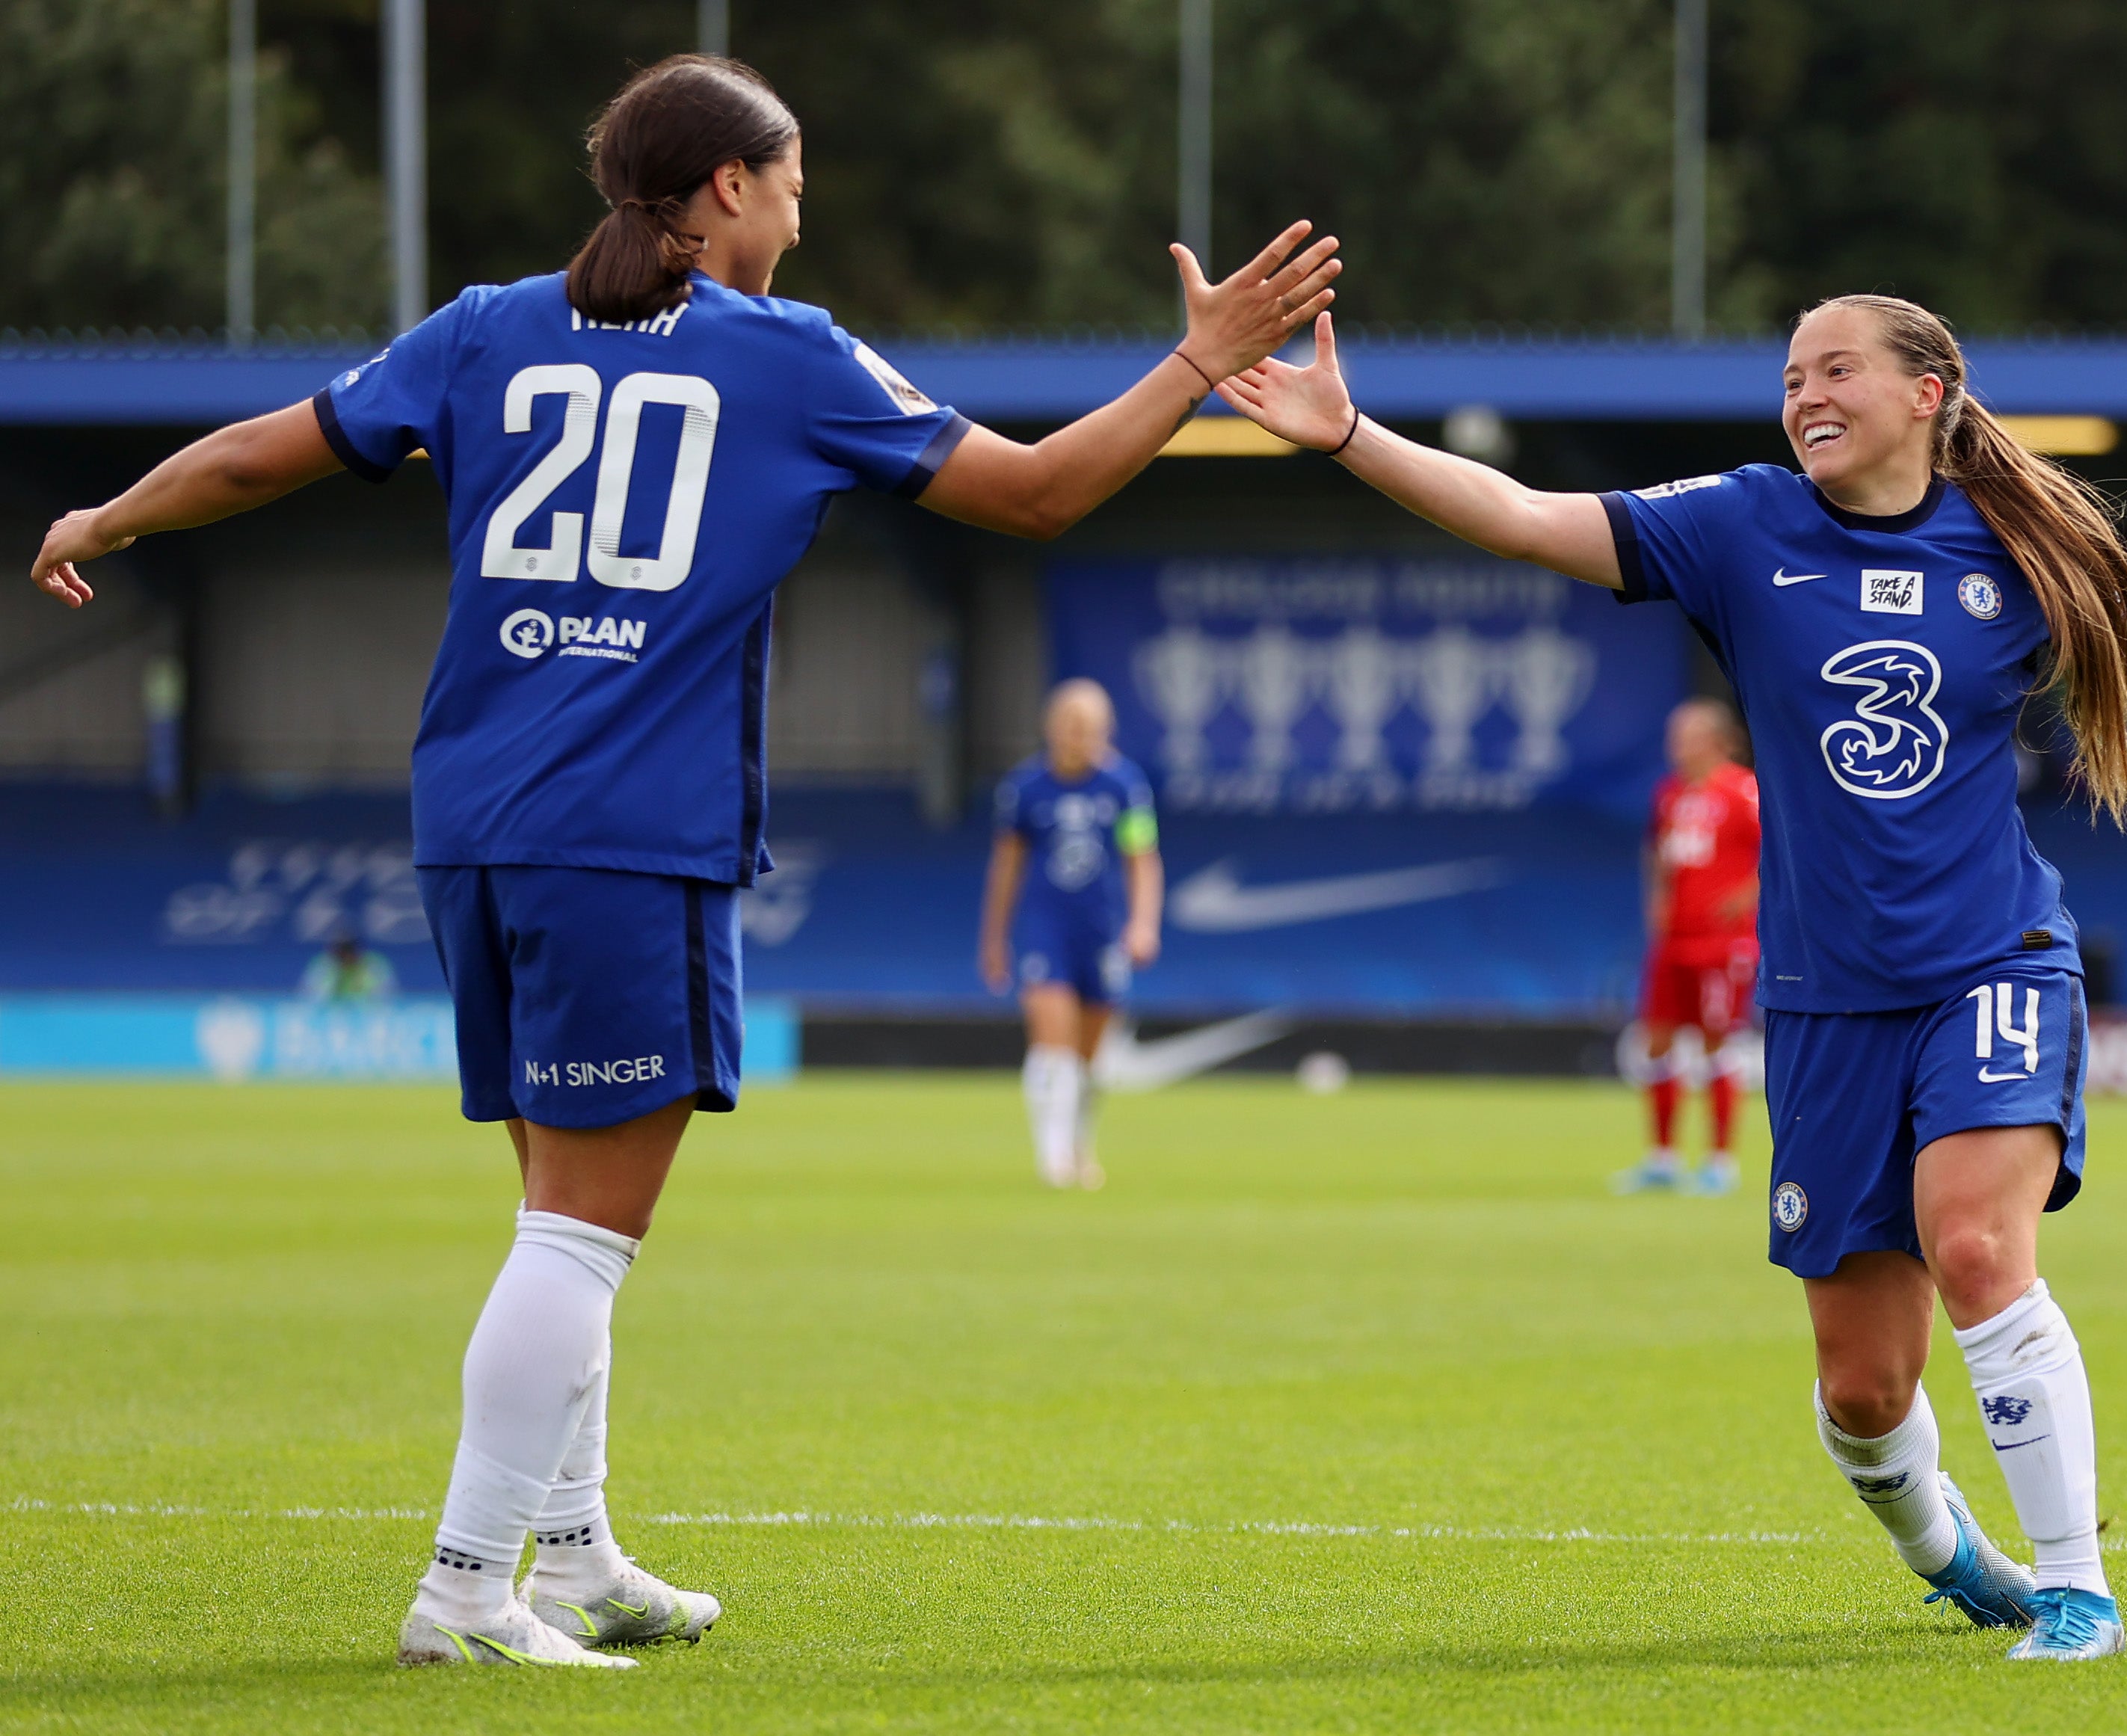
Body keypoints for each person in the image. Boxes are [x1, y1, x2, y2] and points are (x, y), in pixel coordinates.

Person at [28, 55, 1338, 1669]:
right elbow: (1041, 492)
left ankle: (572, 1556)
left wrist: (109, 515)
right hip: (627, 842)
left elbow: (257, 455)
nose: (804, 210)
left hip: (476, 831)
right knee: (582, 1233)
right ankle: (463, 1590)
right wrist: (1197, 364)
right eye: (791, 182)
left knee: (550, 1212)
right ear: (726, 188)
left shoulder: (484, 326)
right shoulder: (787, 359)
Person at [1217, 297, 2127, 1662]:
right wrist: (1348, 435)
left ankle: (2074, 1586)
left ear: (1927, 394)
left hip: (1990, 958)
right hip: (1823, 1003)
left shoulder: (2011, 546)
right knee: (1863, 1389)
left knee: (1977, 1247)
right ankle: (1950, 1552)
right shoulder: (1740, 524)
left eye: (1836, 369)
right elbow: (1520, 514)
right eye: (1791, 373)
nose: (1804, 392)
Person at [979, 679, 1163, 1189]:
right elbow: (1006, 867)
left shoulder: (1125, 787)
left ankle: (1078, 1142)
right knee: (1052, 1037)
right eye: (1070, 723)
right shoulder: (1025, 789)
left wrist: (1143, 923)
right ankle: (1053, 1156)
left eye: (1089, 726)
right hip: (1046, 928)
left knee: (1089, 1059)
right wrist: (994, 939)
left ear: (1106, 731)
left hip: (1101, 931)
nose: (1078, 735)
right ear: (1050, 727)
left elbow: (1142, 861)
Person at [1617, 697, 1759, 1196]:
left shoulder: (1744, 791)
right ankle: (1663, 1157)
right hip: (1674, 939)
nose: (1676, 744)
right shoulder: (1670, 792)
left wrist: (1746, 896)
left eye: (1688, 734)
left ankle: (1720, 1162)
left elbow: (1783, 850)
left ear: (1718, 739)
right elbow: (1656, 851)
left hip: (1723, 942)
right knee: (1655, 1040)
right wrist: (1657, 900)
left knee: (1716, 1045)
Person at [300, 926, 399, 1003]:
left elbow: (388, 995)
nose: (343, 958)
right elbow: (310, 996)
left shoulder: (373, 964)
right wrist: (336, 977)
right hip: (332, 1016)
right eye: (339, 954)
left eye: (346, 952)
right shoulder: (324, 965)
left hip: (366, 1016)